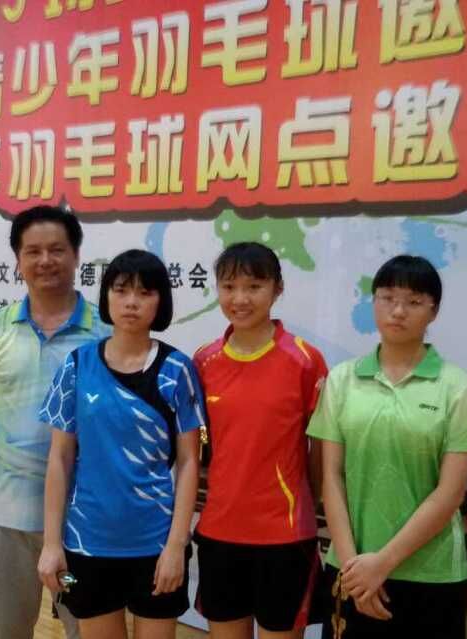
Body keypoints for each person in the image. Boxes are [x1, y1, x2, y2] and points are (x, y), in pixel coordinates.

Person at [307, 255, 467, 639]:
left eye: (414, 301)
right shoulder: (342, 380)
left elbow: (450, 493)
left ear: (433, 311)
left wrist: (382, 564)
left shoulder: (458, 388)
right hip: (350, 569)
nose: (398, 311)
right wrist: (353, 566)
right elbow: (332, 477)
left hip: (430, 575)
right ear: (373, 302)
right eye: (388, 298)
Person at [0, 206, 107, 639]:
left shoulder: (108, 332)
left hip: (82, 524)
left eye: (57, 250)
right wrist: (11, 447)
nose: (45, 261)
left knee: (87, 629)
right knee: (6, 630)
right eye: (33, 251)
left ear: (76, 255)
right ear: (18, 260)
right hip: (6, 519)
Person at [38, 249, 205, 639]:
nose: (132, 302)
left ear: (161, 302)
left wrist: (176, 545)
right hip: (86, 544)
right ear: (106, 296)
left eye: (145, 293)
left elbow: (189, 463)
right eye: (121, 290)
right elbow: (59, 458)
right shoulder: (77, 366)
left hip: (156, 545)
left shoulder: (178, 370)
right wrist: (51, 544)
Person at [192, 242, 328, 639]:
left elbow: (320, 453)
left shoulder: (305, 360)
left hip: (285, 537)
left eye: (253, 286)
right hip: (218, 532)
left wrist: (310, 509)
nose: (240, 299)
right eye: (229, 287)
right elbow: (198, 451)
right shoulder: (203, 362)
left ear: (277, 289)